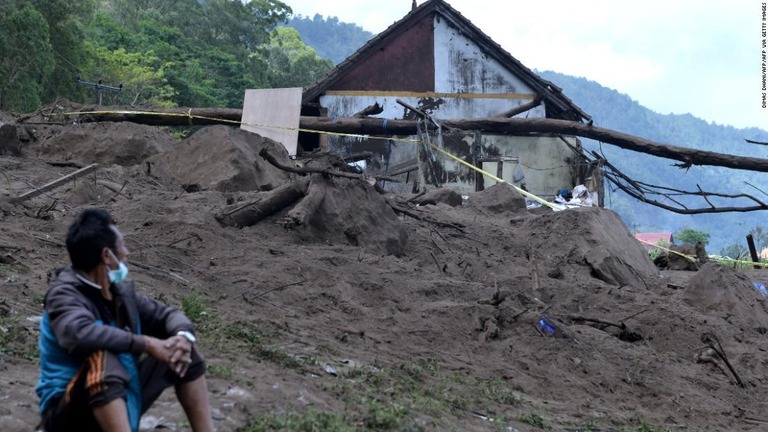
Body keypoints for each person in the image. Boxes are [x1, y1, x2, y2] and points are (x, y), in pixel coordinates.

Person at [36, 208, 214, 432]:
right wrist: (147, 343)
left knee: (183, 351)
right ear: (107, 256)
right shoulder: (64, 295)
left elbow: (167, 315)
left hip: (120, 395)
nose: (127, 253)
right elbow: (79, 333)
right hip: (68, 413)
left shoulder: (117, 292)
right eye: (122, 246)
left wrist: (182, 337)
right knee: (103, 359)